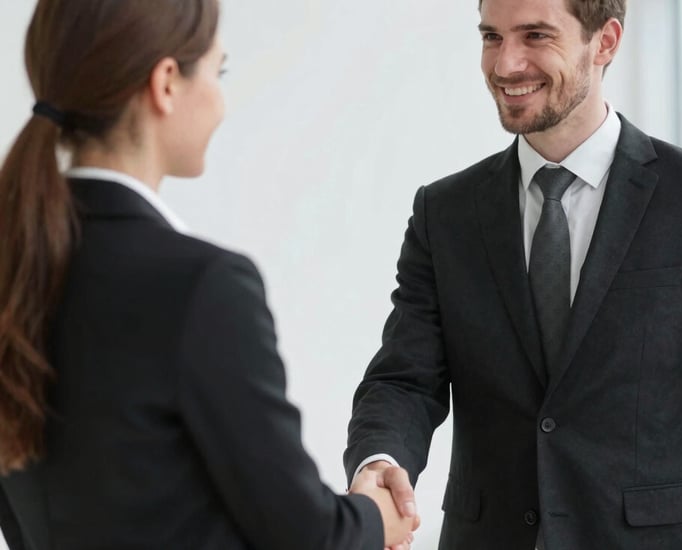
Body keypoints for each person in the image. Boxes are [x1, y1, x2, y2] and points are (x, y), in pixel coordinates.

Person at [344, 0, 682, 548]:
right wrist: (380, 460)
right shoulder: (445, 211)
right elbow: (404, 380)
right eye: (492, 37)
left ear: (606, 42)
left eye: (535, 36)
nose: (505, 64)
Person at [0, 1, 418, 549]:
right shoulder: (202, 286)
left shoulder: (17, 264)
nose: (221, 103)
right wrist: (377, 517)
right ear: (167, 83)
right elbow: (307, 536)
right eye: (217, 73)